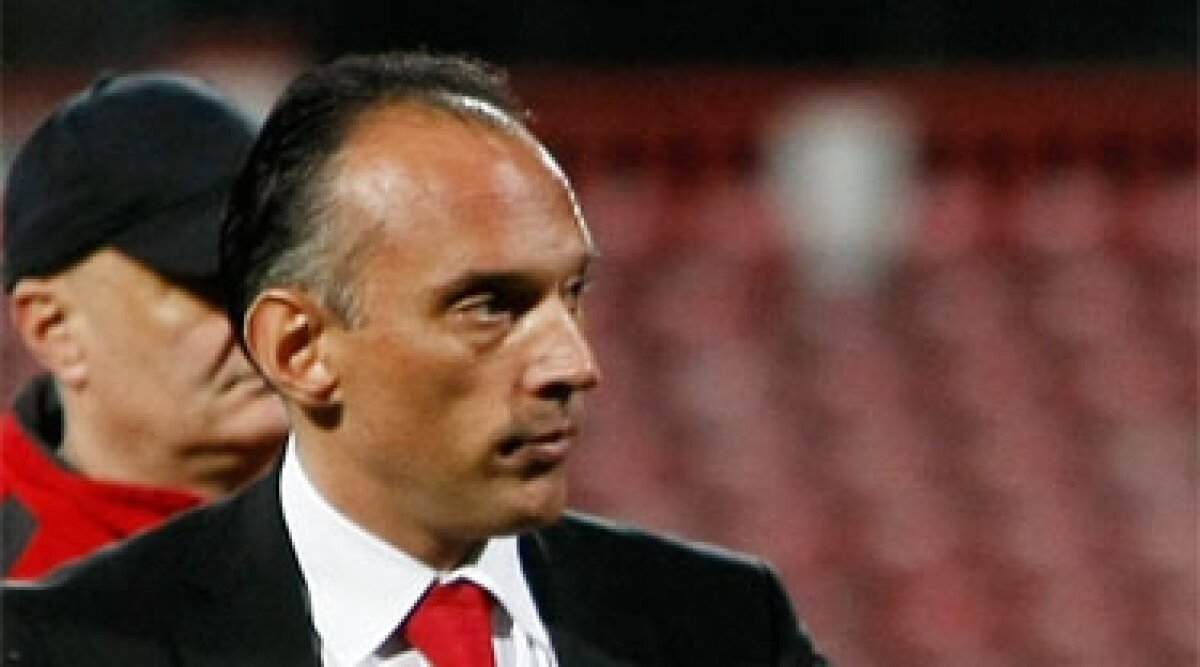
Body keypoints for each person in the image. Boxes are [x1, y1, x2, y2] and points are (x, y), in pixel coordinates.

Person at [3, 52, 828, 666]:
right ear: (298, 346)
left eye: (573, 293)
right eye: (488, 304)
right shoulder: (61, 636)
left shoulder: (723, 623)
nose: (573, 363)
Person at [0, 72, 289, 579]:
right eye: (213, 283)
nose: (270, 318)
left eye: (284, 272)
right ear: (55, 329)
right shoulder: (18, 579)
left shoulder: (400, 515)